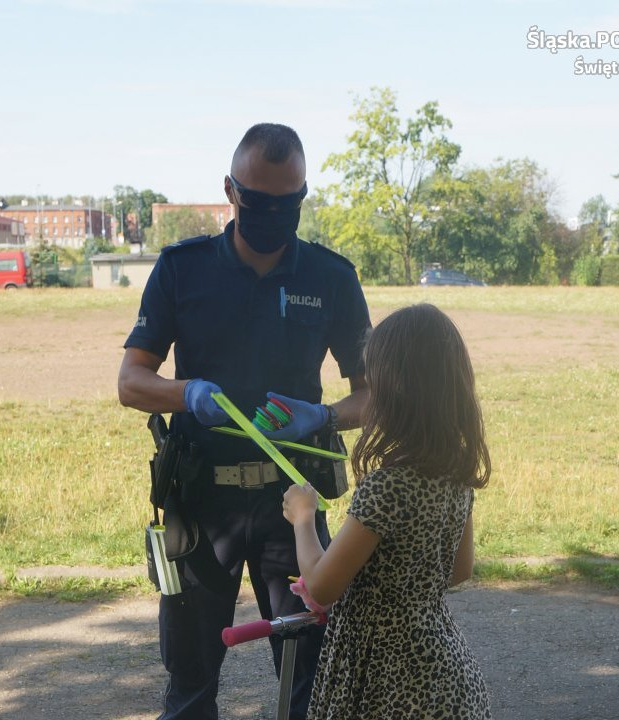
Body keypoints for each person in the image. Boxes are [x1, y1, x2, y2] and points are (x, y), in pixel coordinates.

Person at [118, 123, 371, 720]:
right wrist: (186, 394)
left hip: (295, 508)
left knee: (313, 672)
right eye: (259, 203)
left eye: (290, 204)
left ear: (304, 197)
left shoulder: (331, 278)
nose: (274, 215)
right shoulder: (183, 269)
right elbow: (131, 382)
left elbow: (379, 397)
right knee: (190, 674)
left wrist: (323, 414)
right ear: (230, 192)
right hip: (202, 506)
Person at [282, 303, 492, 720]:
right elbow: (458, 568)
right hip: (446, 675)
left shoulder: (387, 485)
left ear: (394, 390)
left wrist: (303, 519)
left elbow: (322, 587)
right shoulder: (455, 468)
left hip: (386, 681)